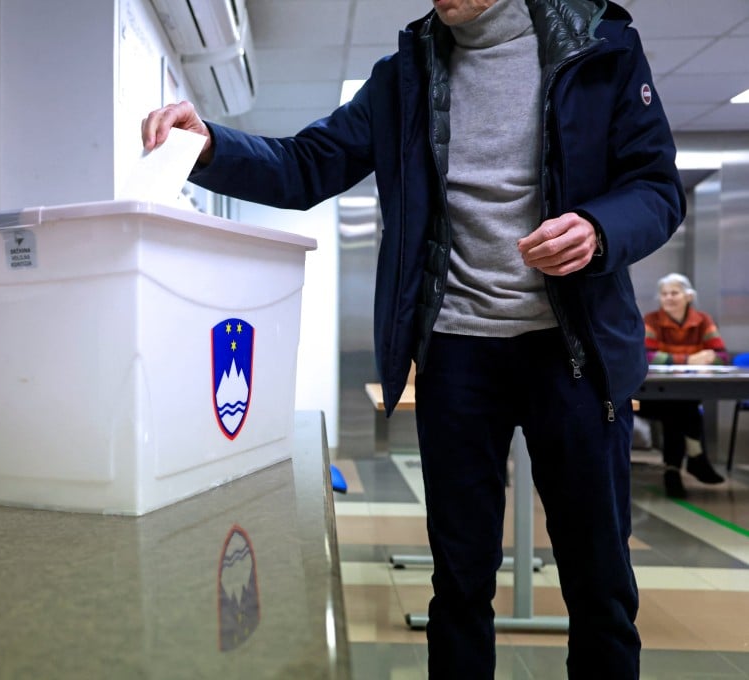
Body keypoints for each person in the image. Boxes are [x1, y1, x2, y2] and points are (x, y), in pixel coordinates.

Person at [141, 0, 684, 676]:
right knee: (458, 585)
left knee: (600, 585)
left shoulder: (599, 47)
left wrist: (599, 228)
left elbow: (657, 188)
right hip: (456, 351)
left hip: (571, 353)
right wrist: (210, 145)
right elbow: (307, 164)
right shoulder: (404, 76)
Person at [639, 273, 728, 498]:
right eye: (664, 294)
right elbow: (645, 355)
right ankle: (695, 459)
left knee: (679, 406)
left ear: (688, 296)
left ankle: (673, 471)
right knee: (680, 407)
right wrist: (689, 359)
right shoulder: (651, 320)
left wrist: (705, 357)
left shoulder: (703, 320)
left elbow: (721, 356)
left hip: (684, 395)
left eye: (674, 293)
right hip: (647, 396)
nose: (669, 298)